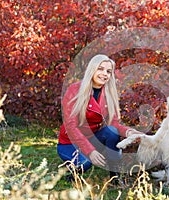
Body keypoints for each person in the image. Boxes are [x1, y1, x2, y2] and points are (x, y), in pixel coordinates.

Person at [57, 54, 143, 184]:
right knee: (85, 163)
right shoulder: (74, 90)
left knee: (112, 131)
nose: (104, 74)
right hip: (69, 142)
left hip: (92, 138)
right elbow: (71, 126)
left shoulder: (109, 93)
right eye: (100, 69)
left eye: (108, 71)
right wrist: (90, 152)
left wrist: (128, 132)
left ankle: (115, 178)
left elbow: (113, 124)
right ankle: (71, 175)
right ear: (92, 69)